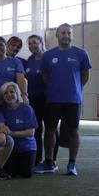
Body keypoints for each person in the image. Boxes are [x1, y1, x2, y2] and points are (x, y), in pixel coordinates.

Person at [39, 23, 91, 176]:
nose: (66, 36)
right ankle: (49, 161)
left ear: (72, 35)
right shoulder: (48, 55)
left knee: (74, 131)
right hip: (53, 100)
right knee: (49, 130)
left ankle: (72, 164)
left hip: (73, 100)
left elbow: (85, 77)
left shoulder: (81, 54)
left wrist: (74, 89)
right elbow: (45, 77)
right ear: (57, 35)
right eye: (63, 33)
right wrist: (57, 88)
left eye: (69, 33)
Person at [25, 34, 56, 169]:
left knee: (51, 129)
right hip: (33, 100)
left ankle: (51, 160)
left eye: (34, 42)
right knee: (36, 130)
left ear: (41, 43)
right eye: (30, 43)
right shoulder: (29, 60)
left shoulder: (48, 58)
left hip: (48, 99)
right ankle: (37, 160)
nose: (32, 45)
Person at [0, 82, 37, 178]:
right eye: (5, 93)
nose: (9, 95)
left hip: (27, 148)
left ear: (17, 94)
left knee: (26, 174)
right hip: (10, 149)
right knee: (10, 173)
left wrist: (12, 133)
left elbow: (30, 132)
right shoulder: (2, 111)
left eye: (12, 92)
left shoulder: (27, 109)